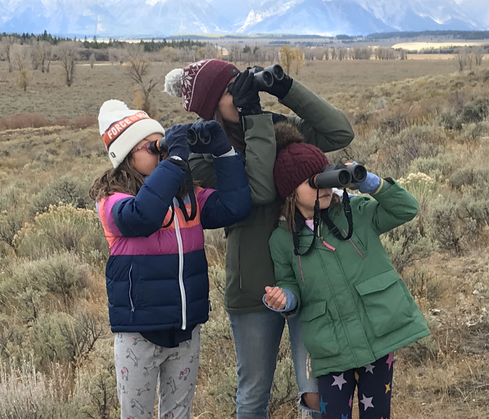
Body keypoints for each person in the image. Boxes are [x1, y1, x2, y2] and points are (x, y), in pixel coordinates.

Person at [164, 59, 355, 418]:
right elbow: (261, 190)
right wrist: (252, 116)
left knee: (317, 390)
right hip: (255, 283)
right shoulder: (203, 155)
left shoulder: (276, 126)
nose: (241, 92)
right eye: (229, 90)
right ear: (211, 105)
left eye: (242, 82)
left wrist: (285, 89)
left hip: (310, 275)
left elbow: (339, 133)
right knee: (253, 394)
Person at [89, 100, 251, 419]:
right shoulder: (112, 201)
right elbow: (143, 215)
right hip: (139, 331)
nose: (160, 151)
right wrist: (174, 160)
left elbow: (235, 207)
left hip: (185, 327)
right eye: (152, 147)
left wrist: (224, 152)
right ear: (127, 155)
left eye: (161, 143)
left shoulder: (185, 195)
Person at [265, 123, 430, 419]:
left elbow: (406, 209)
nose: (324, 188)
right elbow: (289, 282)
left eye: (326, 179)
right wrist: (285, 299)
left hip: (376, 336)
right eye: (313, 183)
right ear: (290, 192)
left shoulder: (357, 213)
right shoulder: (282, 238)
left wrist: (370, 183)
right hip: (331, 348)